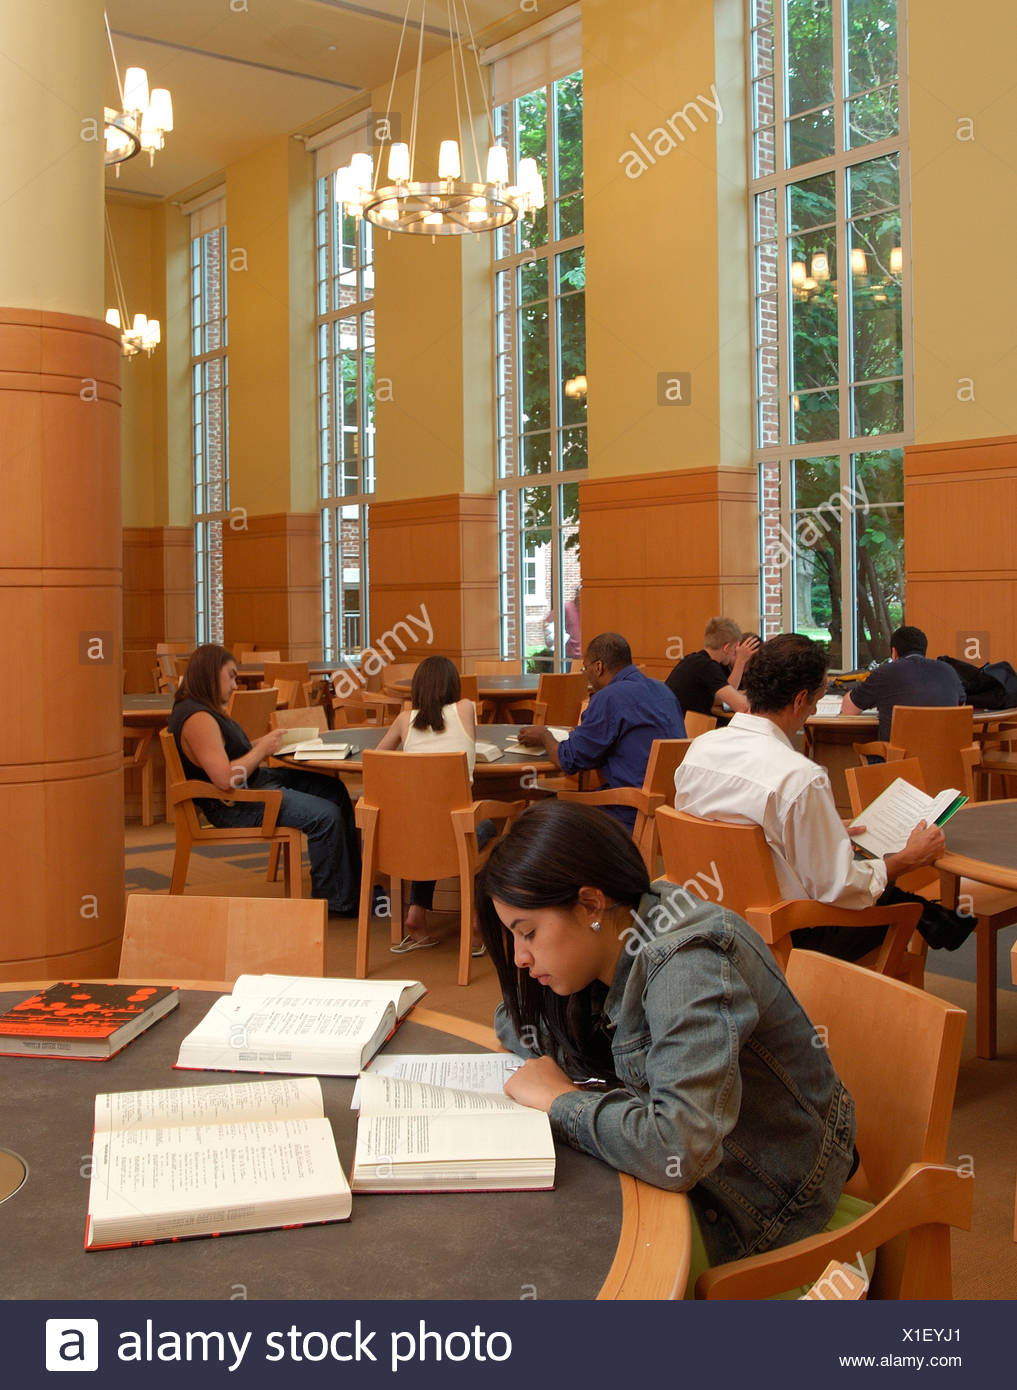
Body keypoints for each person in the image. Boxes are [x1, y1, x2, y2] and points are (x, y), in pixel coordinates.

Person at [477, 800, 862, 1287]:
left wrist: (562, 1101)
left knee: (560, 1268)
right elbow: (513, 1020)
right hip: (702, 1182)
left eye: (527, 933)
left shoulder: (687, 964)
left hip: (769, 1210)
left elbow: (675, 1149)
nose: (520, 958)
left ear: (591, 905)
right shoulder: (621, 931)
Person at [673, 633, 973, 958]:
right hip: (788, 938)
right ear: (801, 699)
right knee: (893, 899)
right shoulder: (799, 777)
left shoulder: (699, 752)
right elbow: (838, 886)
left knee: (878, 884)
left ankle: (937, 919)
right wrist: (903, 861)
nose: (815, 707)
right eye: (817, 698)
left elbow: (744, 838)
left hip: (714, 919)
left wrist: (818, 830)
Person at [168, 644, 361, 915]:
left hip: (251, 785)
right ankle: (337, 902)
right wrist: (261, 750)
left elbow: (230, 755)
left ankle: (353, 887)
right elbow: (225, 779)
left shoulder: (202, 708)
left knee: (335, 790)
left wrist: (270, 744)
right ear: (211, 675)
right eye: (231, 676)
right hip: (233, 804)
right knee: (325, 815)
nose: (236, 685)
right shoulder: (198, 718)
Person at [375, 655, 488, 955]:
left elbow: (376, 759)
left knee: (431, 830)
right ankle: (477, 919)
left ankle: (416, 913)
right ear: (453, 685)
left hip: (415, 836)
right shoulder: (466, 710)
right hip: (456, 833)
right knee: (485, 826)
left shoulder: (403, 721)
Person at [516, 632, 685, 829]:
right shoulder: (664, 691)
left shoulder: (609, 698)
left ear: (598, 667)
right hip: (671, 807)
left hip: (630, 809)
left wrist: (544, 735)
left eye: (585, 668)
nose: (585, 673)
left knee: (541, 811)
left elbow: (569, 759)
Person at [840, 625, 965, 740]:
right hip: (944, 760)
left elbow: (848, 710)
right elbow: (961, 705)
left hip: (897, 761)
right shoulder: (948, 670)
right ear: (924, 651)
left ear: (894, 652)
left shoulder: (885, 673)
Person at [666, 617, 759, 719]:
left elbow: (721, 697)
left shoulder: (692, 659)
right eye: (734, 650)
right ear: (726, 648)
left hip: (672, 722)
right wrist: (740, 661)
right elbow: (742, 706)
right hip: (685, 728)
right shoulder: (707, 667)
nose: (734, 654)